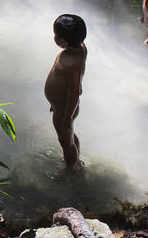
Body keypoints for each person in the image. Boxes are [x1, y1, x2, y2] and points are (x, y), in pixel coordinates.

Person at [44, 14, 87, 176]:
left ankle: (70, 167)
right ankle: (74, 157)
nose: (54, 37)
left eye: (56, 34)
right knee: (68, 136)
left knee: (65, 140)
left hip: (64, 108)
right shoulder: (79, 47)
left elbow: (74, 91)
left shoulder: (71, 61)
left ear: (63, 41)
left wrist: (67, 116)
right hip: (60, 104)